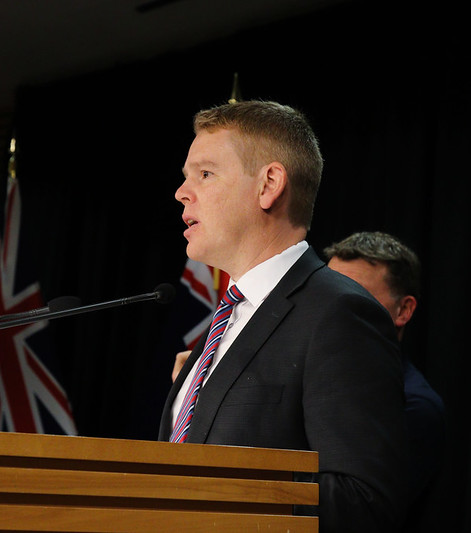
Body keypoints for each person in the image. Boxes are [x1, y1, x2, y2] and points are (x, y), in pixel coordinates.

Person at [158, 100, 408, 532]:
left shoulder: (339, 314)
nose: (182, 192)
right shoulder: (224, 325)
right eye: (185, 178)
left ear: (269, 185)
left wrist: (207, 496)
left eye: (205, 174)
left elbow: (362, 502)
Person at [324, 231, 446, 530]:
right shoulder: (302, 372)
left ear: (403, 310)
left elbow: (355, 516)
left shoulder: (417, 408)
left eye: (356, 298)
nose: (331, 311)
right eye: (326, 294)